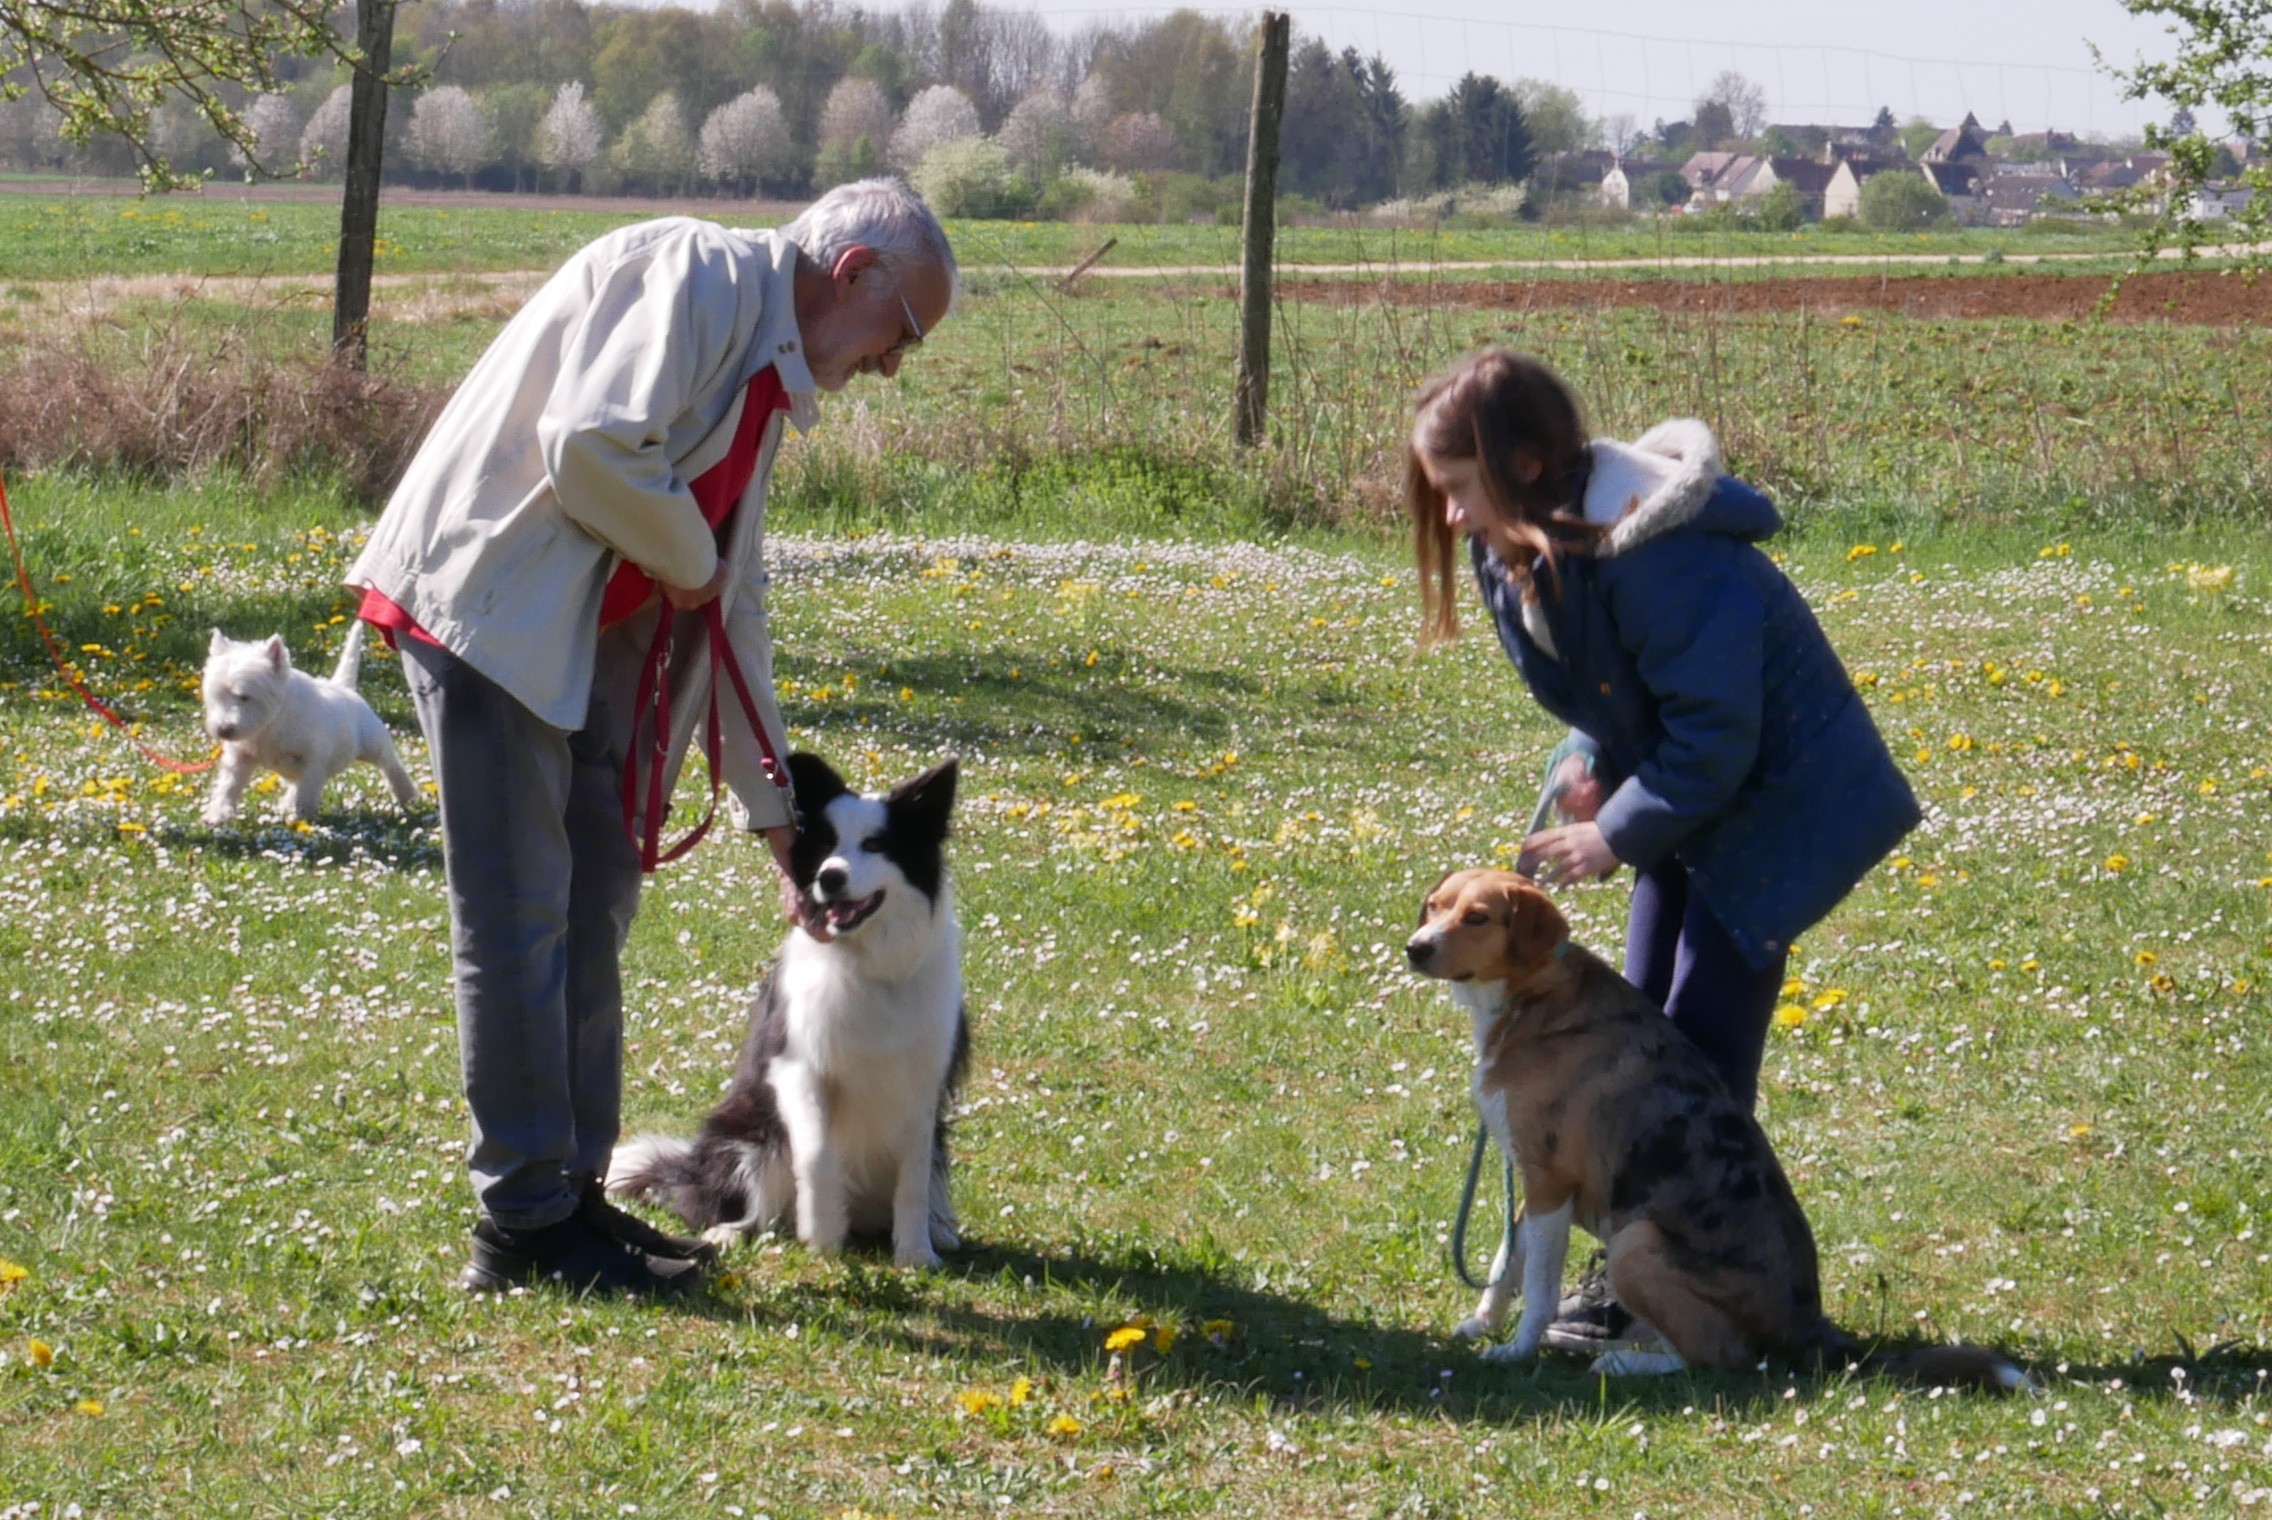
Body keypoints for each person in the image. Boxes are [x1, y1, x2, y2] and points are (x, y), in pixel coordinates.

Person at [345, 178, 957, 1297]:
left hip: (570, 648)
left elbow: (736, 605)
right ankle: (521, 1226)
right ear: (855, 271)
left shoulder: (767, 374)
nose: (892, 365)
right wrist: (690, 554)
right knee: (523, 921)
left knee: (592, 909)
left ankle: (573, 1197)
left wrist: (780, 816)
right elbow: (590, 443)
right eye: (902, 333)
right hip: (488, 619)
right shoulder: (695, 274)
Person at [1405, 347, 1919, 1351]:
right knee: (1633, 1041)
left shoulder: (1664, 554)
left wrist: (1612, 830)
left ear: (1528, 461)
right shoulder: (1526, 541)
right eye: (1441, 494)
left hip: (1775, 808)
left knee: (1702, 1055)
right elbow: (1613, 687)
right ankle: (1633, 1278)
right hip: (1683, 800)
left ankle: (1692, 1301)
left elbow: (1717, 734)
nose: (1452, 515)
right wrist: (1590, 763)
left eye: (1461, 488)